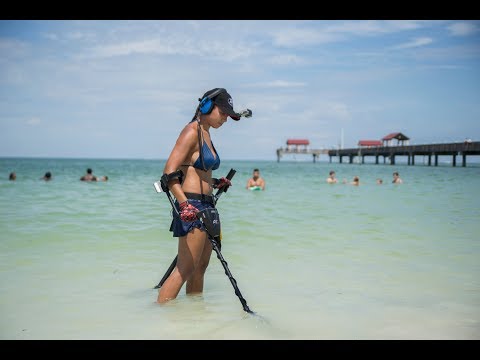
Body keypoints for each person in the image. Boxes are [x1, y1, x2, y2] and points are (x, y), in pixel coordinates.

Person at [157, 87, 244, 304]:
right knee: (185, 268)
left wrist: (216, 182)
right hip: (192, 206)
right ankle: (158, 317)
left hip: (208, 206)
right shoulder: (191, 131)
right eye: (222, 112)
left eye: (227, 114)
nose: (225, 118)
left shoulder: (206, 133)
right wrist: (184, 204)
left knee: (199, 269)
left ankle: (194, 318)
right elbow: (169, 172)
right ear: (206, 106)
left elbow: (198, 174)